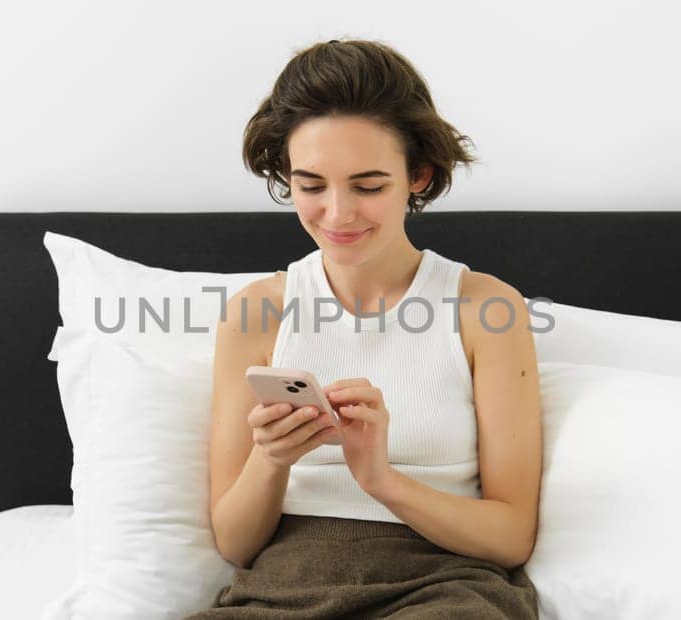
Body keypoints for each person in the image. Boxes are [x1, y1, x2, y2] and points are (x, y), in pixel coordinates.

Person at [186, 38, 543, 619]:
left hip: (444, 591)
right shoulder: (255, 312)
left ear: (418, 177)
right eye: (310, 185)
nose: (337, 214)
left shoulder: (486, 309)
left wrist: (380, 478)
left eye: (368, 186)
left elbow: (511, 537)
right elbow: (235, 542)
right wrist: (272, 460)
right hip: (281, 592)